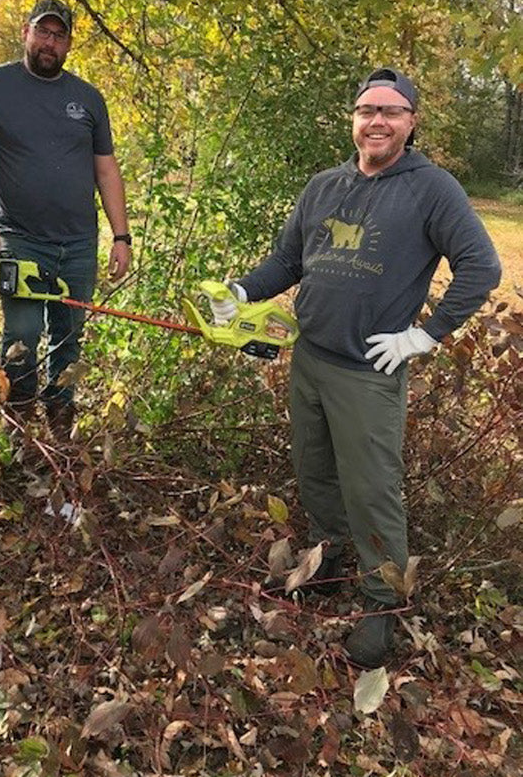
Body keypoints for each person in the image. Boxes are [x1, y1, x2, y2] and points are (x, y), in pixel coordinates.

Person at [211, 67, 501, 668]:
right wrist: (241, 291)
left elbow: (481, 266)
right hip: (310, 357)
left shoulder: (431, 188)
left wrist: (425, 336)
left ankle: (382, 607)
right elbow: (289, 260)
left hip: (369, 372)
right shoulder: (324, 186)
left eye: (391, 112)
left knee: (372, 492)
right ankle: (328, 559)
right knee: (315, 473)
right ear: (355, 119)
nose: (377, 121)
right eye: (368, 109)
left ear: (411, 122)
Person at [0, 0, 132, 434]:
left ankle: (58, 439)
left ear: (68, 43)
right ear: (25, 32)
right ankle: (18, 435)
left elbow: (106, 169)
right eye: (43, 32)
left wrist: (121, 236)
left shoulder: (88, 99)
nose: (49, 43)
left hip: (77, 244)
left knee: (68, 340)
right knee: (21, 338)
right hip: (18, 238)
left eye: (59, 36)